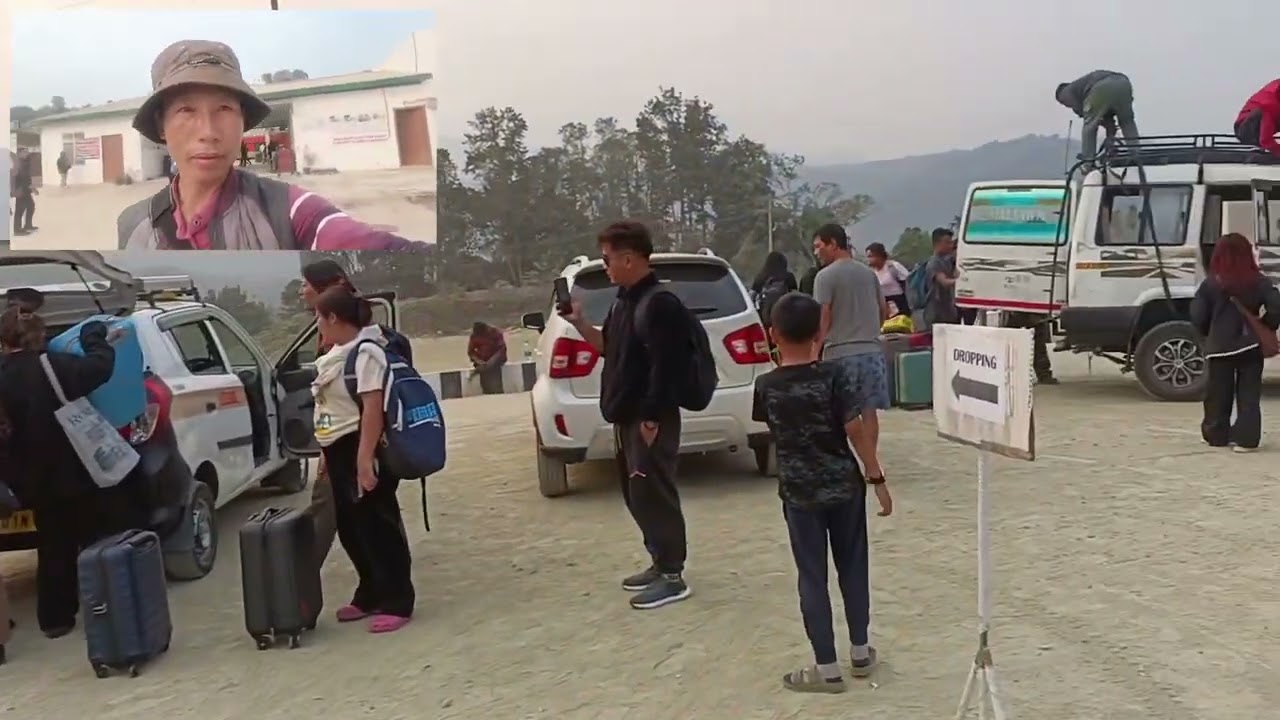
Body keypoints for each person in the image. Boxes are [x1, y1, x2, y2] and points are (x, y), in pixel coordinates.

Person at [116, 40, 427, 251]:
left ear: (243, 121)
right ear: (161, 125)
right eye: (186, 110)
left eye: (224, 109)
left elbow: (363, 241)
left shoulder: (288, 211)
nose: (208, 132)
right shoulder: (133, 225)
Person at [752, 292, 892, 693]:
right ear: (819, 332)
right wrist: (876, 477)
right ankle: (861, 652)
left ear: (773, 334)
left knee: (812, 576)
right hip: (844, 486)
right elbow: (854, 429)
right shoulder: (834, 377)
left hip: (799, 492)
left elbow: (773, 430)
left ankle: (827, 668)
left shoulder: (766, 387)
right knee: (854, 567)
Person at [560, 220, 692, 610]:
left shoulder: (660, 304)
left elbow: (665, 368)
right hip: (627, 416)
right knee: (638, 494)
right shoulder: (625, 301)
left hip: (650, 417)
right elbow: (609, 348)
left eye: (608, 259)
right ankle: (658, 560)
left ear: (630, 258)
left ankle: (673, 574)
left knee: (657, 493)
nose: (605, 267)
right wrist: (580, 324)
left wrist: (651, 419)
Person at [0, 309, 146, 638]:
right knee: (98, 537)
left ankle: (56, 620)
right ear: (40, 336)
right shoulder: (55, 366)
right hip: (76, 469)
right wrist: (93, 337)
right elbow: (101, 367)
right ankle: (108, 606)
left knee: (52, 546)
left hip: (29, 480)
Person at [311, 286, 415, 633]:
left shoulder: (367, 353)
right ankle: (369, 591)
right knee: (352, 527)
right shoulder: (337, 353)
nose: (317, 324)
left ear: (333, 318)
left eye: (319, 316)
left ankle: (398, 598)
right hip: (337, 449)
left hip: (361, 447)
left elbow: (373, 409)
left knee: (378, 525)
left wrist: (364, 459)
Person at [1190, 233, 1280, 452]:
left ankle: (1217, 434)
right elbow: (1276, 306)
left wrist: (1208, 333)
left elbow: (1198, 316)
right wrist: (1267, 325)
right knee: (1249, 394)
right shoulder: (1259, 281)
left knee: (1217, 394)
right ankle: (1246, 440)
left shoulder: (1210, 284)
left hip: (1220, 346)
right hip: (1250, 345)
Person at [811, 223, 891, 459]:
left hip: (839, 354)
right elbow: (884, 311)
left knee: (844, 415)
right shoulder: (868, 274)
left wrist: (815, 350)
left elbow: (823, 319)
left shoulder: (824, 277)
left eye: (819, 246)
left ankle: (850, 461)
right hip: (871, 353)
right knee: (869, 412)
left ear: (833, 244)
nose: (817, 253)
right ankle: (871, 463)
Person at [1055, 70, 1141, 162]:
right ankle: (1136, 153)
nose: (1066, 105)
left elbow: (1083, 112)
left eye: (1064, 103)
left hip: (1101, 87)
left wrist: (1090, 118)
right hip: (1124, 84)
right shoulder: (1087, 90)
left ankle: (1088, 161)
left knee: (1089, 127)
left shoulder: (1065, 91)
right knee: (1127, 122)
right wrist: (1110, 142)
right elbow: (1110, 124)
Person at [917, 228, 960, 332]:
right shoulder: (934, 263)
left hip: (949, 311)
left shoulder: (948, 261)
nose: (950, 245)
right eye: (947, 242)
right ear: (937, 243)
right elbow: (944, 282)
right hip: (936, 312)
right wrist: (962, 281)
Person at [751, 251, 798, 329]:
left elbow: (751, 297)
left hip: (765, 318)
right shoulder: (788, 276)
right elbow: (796, 296)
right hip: (785, 317)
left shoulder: (761, 277)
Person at [1235, 79, 1280, 157]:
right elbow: (1266, 140)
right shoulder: (1270, 104)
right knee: (1264, 110)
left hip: (1266, 121)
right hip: (1245, 129)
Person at [864, 242, 910, 317]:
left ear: (879, 256)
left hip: (899, 304)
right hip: (883, 307)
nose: (868, 259)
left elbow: (907, 283)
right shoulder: (871, 272)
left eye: (870, 256)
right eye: (867, 257)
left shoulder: (893, 267)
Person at [467, 322, 508, 394]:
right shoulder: (474, 335)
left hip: (496, 358)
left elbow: (501, 349)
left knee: (491, 368)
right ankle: (488, 390)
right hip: (482, 360)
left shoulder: (495, 333)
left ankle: (495, 390)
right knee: (484, 368)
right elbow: (471, 352)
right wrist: (479, 361)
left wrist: (491, 361)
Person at [11, 149, 36, 237]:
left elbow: (27, 176)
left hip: (26, 189)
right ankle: (17, 230)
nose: (27, 153)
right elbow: (14, 178)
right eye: (25, 152)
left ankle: (28, 225)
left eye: (27, 151)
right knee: (19, 210)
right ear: (20, 153)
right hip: (20, 190)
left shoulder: (25, 162)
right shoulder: (17, 164)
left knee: (31, 206)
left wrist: (32, 187)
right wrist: (14, 190)